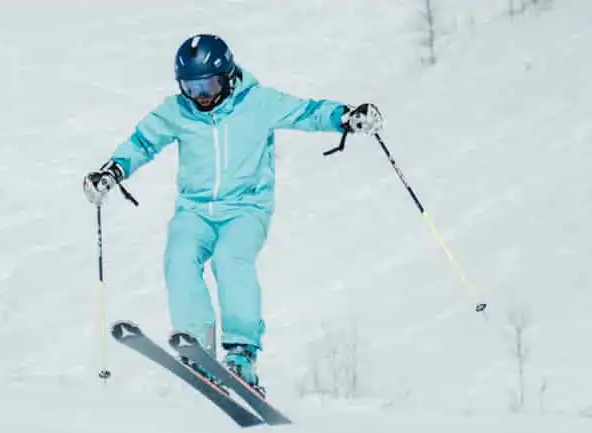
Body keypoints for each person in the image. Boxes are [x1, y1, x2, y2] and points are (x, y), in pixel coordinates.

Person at [83, 33, 383, 395]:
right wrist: (112, 170)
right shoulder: (177, 110)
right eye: (191, 88)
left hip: (246, 208)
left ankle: (241, 354)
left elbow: (308, 112)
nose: (201, 96)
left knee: (230, 259)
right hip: (194, 210)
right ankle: (198, 346)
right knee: (178, 259)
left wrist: (345, 117)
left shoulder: (258, 103)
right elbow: (143, 141)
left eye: (208, 84)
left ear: (227, 76)